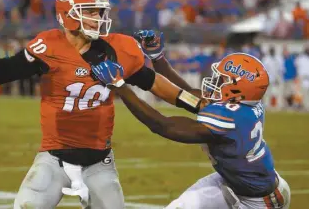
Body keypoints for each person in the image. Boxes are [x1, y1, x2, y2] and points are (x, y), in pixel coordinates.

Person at [0, 0, 201, 209]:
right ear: (68, 14)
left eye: (100, 12)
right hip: (53, 160)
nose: (98, 19)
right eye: (90, 11)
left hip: (99, 162)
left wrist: (198, 104)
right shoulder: (48, 46)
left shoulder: (120, 49)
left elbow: (159, 86)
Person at [91, 33, 291, 209]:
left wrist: (119, 86)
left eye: (222, 79)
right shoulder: (242, 106)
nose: (215, 81)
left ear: (239, 89)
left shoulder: (233, 118)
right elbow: (187, 95)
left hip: (259, 201)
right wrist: (158, 59)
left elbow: (163, 125)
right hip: (235, 182)